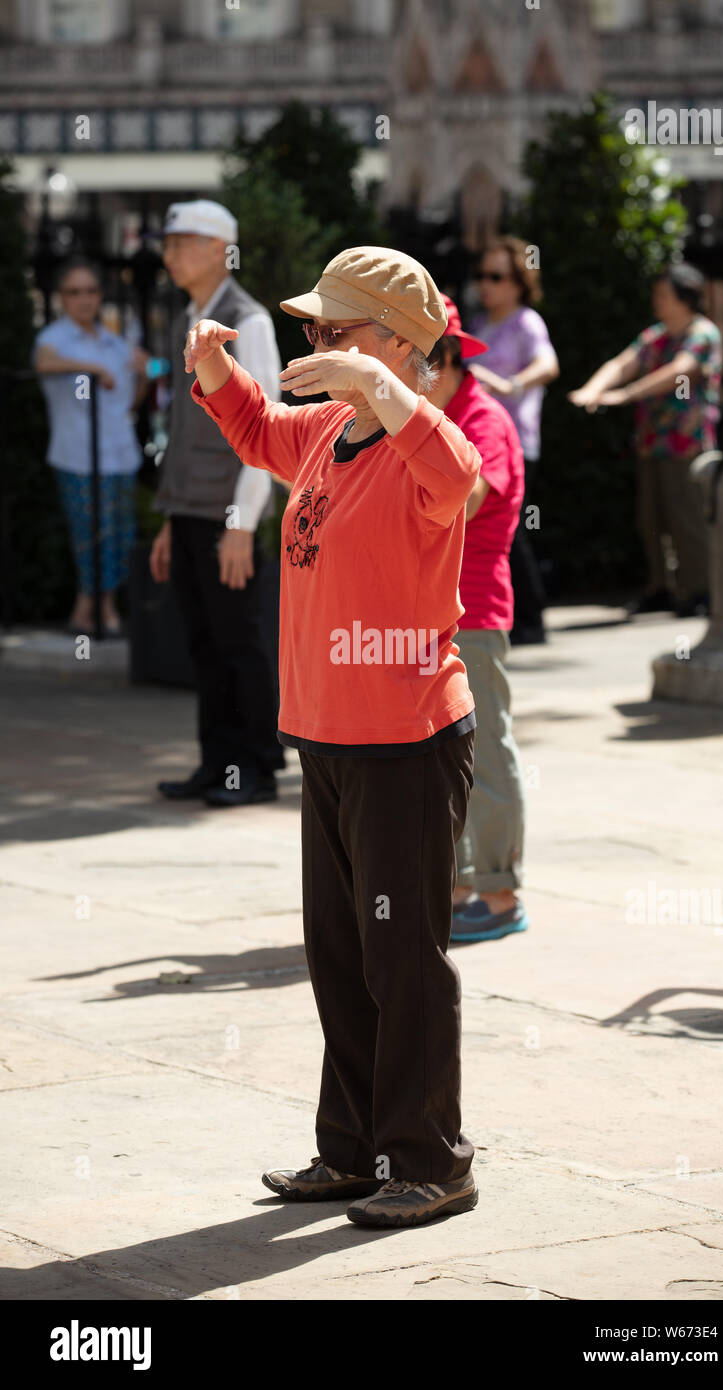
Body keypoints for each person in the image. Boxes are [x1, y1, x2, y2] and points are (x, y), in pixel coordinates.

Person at [184, 246, 482, 1229]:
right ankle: (352, 1150)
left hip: (402, 736)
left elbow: (463, 474)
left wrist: (380, 386)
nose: (316, 347)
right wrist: (217, 371)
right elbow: (260, 430)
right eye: (312, 330)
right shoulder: (326, 432)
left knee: (402, 954)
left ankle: (432, 1158)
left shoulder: (415, 443)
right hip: (326, 734)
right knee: (341, 951)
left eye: (335, 332)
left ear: (397, 344)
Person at [151, 200, 284, 807]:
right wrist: (168, 520)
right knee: (203, 644)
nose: (170, 253)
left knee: (242, 644)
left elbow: (264, 428)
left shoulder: (246, 321)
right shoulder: (190, 315)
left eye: (182, 242)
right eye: (170, 242)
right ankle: (217, 763)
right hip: (190, 511)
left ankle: (255, 767)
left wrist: (241, 523)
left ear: (217, 250)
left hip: (226, 515)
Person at [426, 296, 528, 944]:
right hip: (431, 610)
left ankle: (498, 894)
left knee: (485, 753)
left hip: (474, 612)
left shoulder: (481, 420)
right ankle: (463, 885)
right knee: (444, 759)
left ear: (438, 357)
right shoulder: (437, 413)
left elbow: (462, 500)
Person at [568, 263, 722, 619]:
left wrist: (626, 394)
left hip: (687, 443)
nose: (657, 300)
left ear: (685, 298)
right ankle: (661, 588)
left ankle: (699, 590)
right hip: (653, 442)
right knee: (651, 516)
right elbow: (624, 362)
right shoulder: (656, 335)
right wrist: (595, 388)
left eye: (664, 294)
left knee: (687, 516)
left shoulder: (703, 333)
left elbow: (679, 370)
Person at [34, 258, 147, 636]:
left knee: (118, 535)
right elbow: (44, 362)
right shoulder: (54, 339)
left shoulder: (115, 342)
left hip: (120, 454)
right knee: (89, 536)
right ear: (63, 298)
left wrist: (146, 375)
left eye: (90, 291)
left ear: (100, 296)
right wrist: (92, 369)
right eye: (74, 291)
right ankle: (95, 612)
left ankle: (94, 611)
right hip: (78, 456)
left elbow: (130, 401)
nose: (83, 299)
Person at [468, 236, 559, 645]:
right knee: (502, 530)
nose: (485, 284)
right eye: (481, 275)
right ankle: (518, 619)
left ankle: (530, 621)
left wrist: (510, 384)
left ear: (519, 282)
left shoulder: (527, 322)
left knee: (513, 531)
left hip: (518, 447)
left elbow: (549, 364)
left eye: (496, 276)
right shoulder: (481, 325)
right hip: (484, 444)